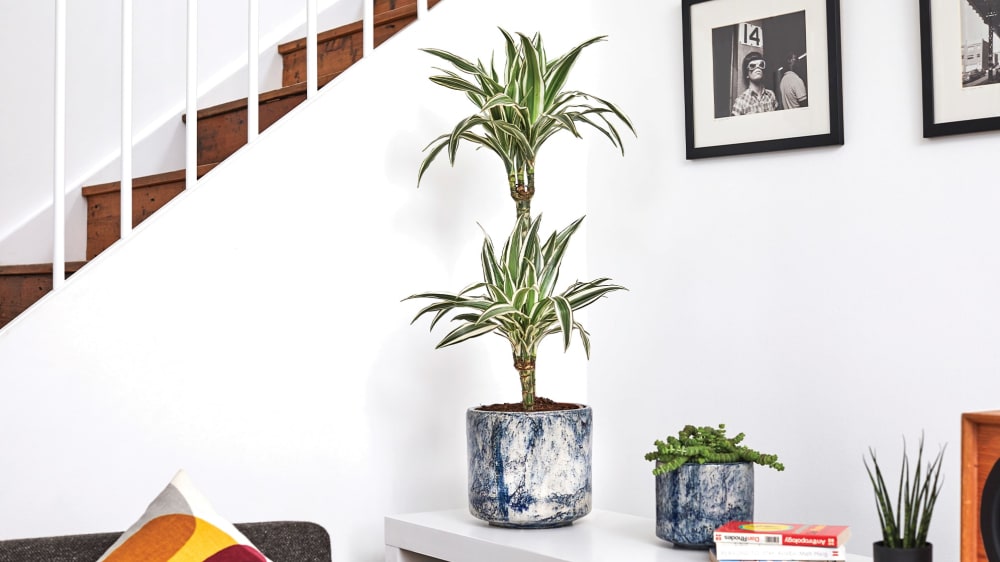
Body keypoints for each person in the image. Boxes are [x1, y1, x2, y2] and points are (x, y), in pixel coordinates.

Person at [731, 51, 778, 116]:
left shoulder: (771, 95)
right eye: (752, 66)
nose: (758, 68)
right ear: (747, 74)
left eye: (761, 65)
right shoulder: (740, 102)